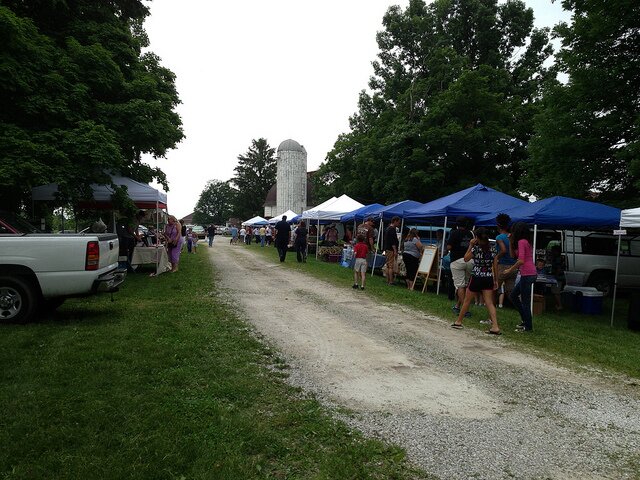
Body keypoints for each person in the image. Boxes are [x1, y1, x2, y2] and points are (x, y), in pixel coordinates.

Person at [451, 227, 501, 334]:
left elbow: (465, 258)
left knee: (467, 300)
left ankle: (459, 321)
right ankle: (495, 326)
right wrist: (496, 280)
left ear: (477, 238)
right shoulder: (493, 249)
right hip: (488, 277)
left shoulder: (476, 248)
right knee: (489, 302)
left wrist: (470, 245)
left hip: (477, 277)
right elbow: (495, 265)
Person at [504, 222, 537, 332]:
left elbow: (521, 260)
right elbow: (513, 256)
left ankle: (528, 327)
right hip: (528, 273)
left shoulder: (522, 242)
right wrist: (510, 241)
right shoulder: (523, 242)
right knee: (513, 296)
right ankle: (525, 321)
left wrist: (510, 270)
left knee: (525, 302)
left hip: (527, 273)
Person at [447, 217, 474, 316]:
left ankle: (465, 309)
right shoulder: (471, 233)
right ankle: (457, 306)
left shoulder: (454, 233)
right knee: (466, 285)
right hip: (470, 260)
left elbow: (449, 246)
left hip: (457, 260)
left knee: (460, 286)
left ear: (457, 224)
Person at [384, 216, 401, 286]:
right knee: (391, 266)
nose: (399, 224)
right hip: (391, 249)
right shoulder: (392, 229)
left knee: (388, 265)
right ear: (395, 221)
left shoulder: (388, 228)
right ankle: (391, 281)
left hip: (387, 248)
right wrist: (395, 250)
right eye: (398, 222)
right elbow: (393, 242)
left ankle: (388, 280)